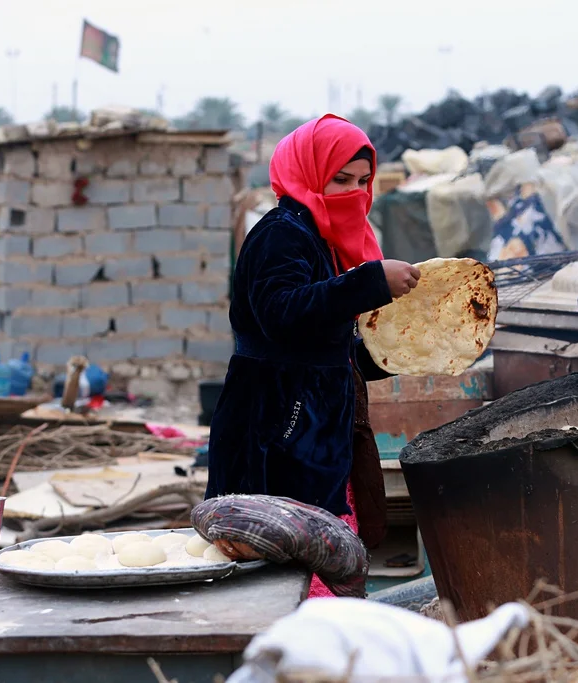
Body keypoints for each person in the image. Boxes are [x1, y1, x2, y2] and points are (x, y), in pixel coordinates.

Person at [205, 114, 420, 598]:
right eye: (340, 180)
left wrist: (389, 356)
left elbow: (322, 344)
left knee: (324, 551)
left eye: (363, 183)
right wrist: (369, 283)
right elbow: (281, 313)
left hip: (317, 427)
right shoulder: (283, 233)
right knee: (278, 566)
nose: (353, 192)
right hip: (275, 427)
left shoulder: (322, 237)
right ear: (307, 173)